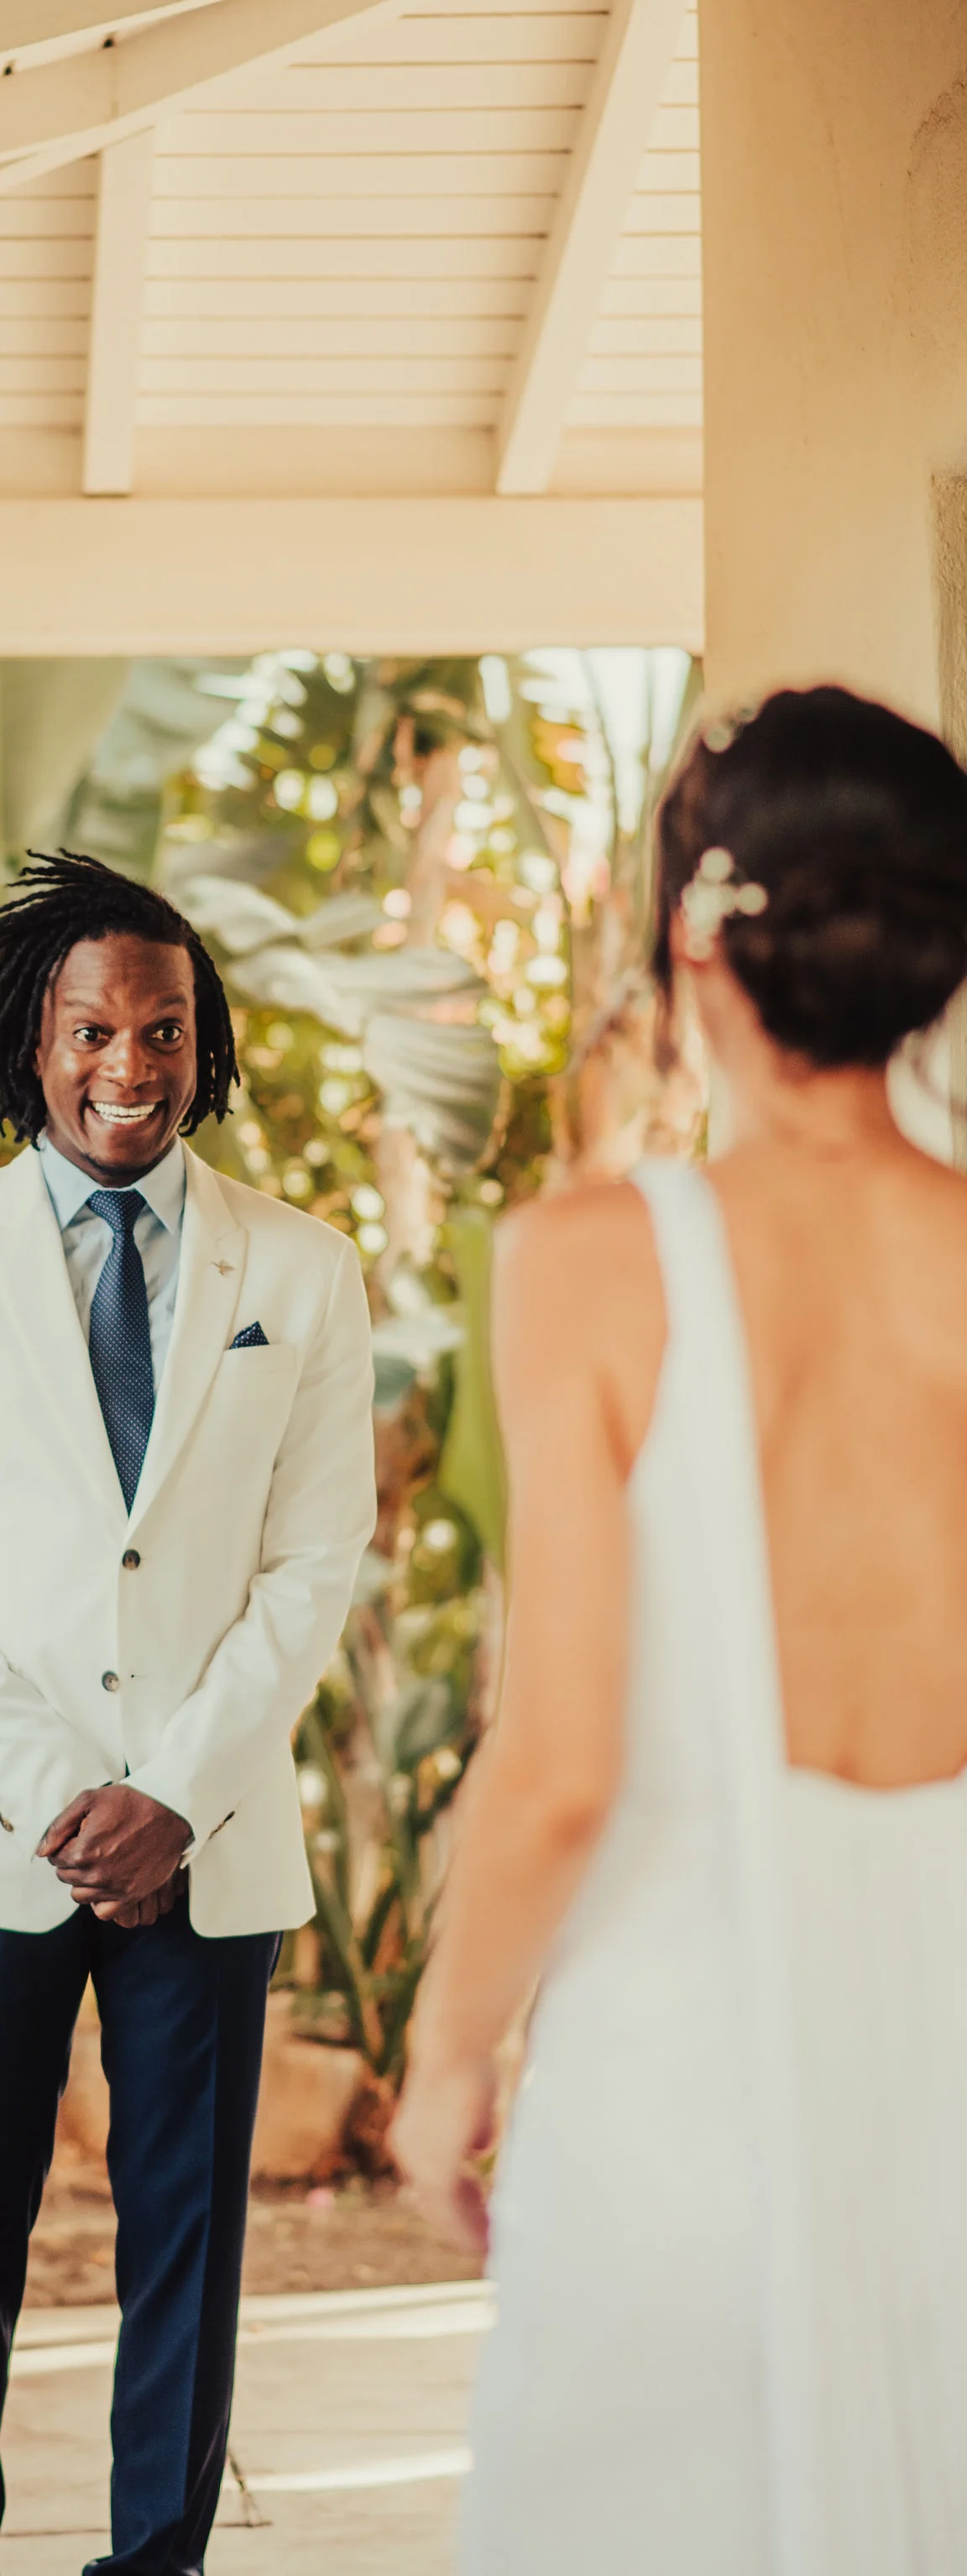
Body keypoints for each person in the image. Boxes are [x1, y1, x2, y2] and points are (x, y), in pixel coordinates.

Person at [394, 684, 967, 2575]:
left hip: (683, 2100)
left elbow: (559, 1764)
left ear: (696, 935)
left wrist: (447, 2066)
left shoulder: (590, 1261)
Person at [0, 851, 374, 2576]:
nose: (127, 1065)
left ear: (201, 1043)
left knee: (187, 2253)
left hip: (202, 1852)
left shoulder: (304, 1265)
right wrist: (73, 1793)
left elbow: (314, 1560)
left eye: (162, 1027)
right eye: (89, 1029)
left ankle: (155, 2565)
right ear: (28, 1041)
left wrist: (176, 1793)